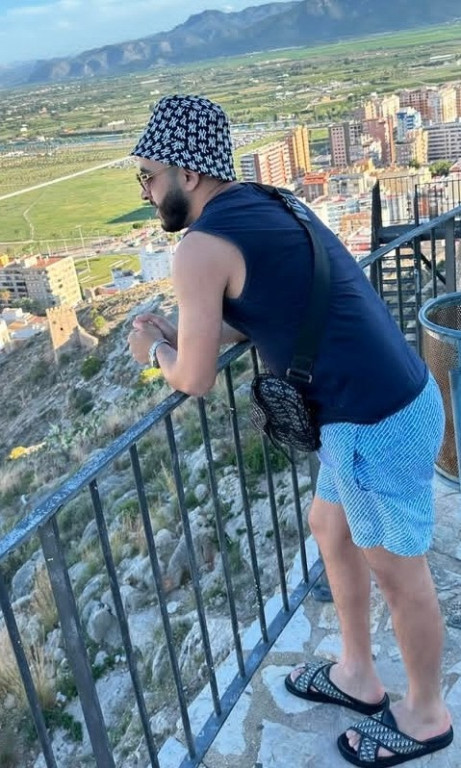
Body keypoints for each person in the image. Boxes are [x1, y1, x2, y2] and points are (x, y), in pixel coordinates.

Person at [127, 94, 453, 766]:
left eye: (148, 177)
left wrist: (153, 350)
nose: (147, 192)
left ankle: (426, 716)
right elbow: (265, 308)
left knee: (400, 577)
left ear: (187, 173)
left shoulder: (199, 248)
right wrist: (187, 330)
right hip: (384, 401)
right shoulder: (270, 202)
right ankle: (356, 674)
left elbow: (193, 378)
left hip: (374, 421)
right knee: (329, 527)